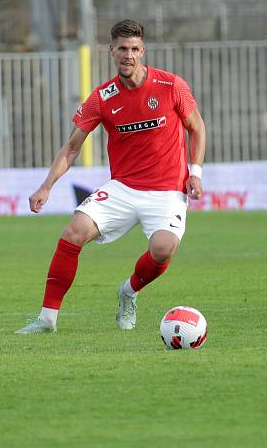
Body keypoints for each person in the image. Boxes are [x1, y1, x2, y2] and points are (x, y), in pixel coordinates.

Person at [15, 19, 206, 334]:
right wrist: (46, 187)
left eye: (134, 49)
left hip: (167, 191)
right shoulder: (102, 97)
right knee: (73, 231)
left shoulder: (171, 86)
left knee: (162, 249)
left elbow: (197, 127)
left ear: (142, 51)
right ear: (111, 51)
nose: (128, 55)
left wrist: (195, 173)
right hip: (123, 188)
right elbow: (72, 147)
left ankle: (128, 291)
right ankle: (47, 319)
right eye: (122, 49)